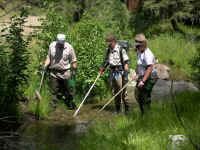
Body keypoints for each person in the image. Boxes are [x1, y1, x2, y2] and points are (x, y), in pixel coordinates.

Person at [43, 33, 77, 109]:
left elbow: (74, 60)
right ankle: (52, 106)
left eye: (62, 43)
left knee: (71, 88)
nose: (60, 45)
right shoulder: (52, 46)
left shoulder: (69, 47)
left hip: (66, 72)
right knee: (53, 90)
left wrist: (74, 71)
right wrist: (45, 65)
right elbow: (48, 57)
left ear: (64, 41)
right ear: (57, 41)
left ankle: (71, 103)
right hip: (54, 72)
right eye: (59, 43)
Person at [100, 35, 130, 114]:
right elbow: (106, 61)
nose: (108, 45)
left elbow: (126, 63)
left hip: (120, 72)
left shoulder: (121, 50)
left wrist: (126, 76)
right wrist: (102, 69)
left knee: (123, 92)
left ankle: (127, 110)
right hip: (112, 72)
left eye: (109, 43)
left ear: (113, 42)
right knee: (115, 92)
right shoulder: (109, 50)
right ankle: (118, 110)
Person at [132, 33, 158, 115]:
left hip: (150, 77)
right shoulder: (139, 52)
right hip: (143, 75)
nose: (136, 47)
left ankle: (147, 113)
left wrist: (142, 81)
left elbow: (149, 69)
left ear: (142, 44)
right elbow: (138, 64)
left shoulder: (148, 54)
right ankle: (143, 112)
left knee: (145, 95)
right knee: (137, 94)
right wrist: (135, 73)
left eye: (138, 45)